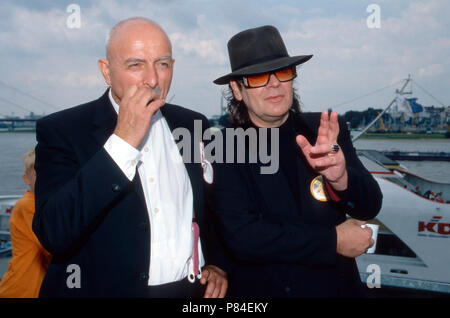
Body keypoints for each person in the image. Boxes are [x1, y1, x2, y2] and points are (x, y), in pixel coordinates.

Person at [32, 17, 227, 298]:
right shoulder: (63, 130)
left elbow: (211, 207)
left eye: (163, 63)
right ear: (106, 71)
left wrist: (217, 262)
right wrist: (122, 141)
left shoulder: (193, 124)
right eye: (136, 65)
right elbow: (54, 232)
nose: (153, 79)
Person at [209, 25, 383, 297]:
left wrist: (341, 178)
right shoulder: (222, 147)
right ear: (237, 89)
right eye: (257, 77)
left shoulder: (325, 129)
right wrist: (333, 241)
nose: (274, 83)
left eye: (282, 71)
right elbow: (243, 237)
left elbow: (370, 205)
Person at [0, 148, 51, 297]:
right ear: (26, 179)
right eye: (36, 173)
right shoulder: (28, 205)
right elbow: (51, 245)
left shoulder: (40, 204)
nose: (43, 178)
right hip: (23, 287)